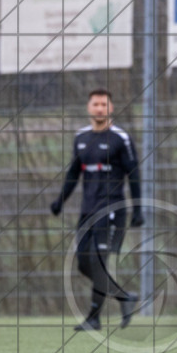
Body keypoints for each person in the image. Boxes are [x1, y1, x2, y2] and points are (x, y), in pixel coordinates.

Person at [51, 89, 144, 332]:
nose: (100, 108)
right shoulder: (81, 137)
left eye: (104, 104)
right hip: (87, 211)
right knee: (83, 264)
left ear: (111, 108)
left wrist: (138, 208)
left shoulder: (120, 138)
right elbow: (73, 173)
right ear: (89, 107)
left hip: (112, 211)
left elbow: (134, 176)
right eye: (96, 104)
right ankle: (124, 297)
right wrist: (60, 201)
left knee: (99, 261)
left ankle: (93, 317)